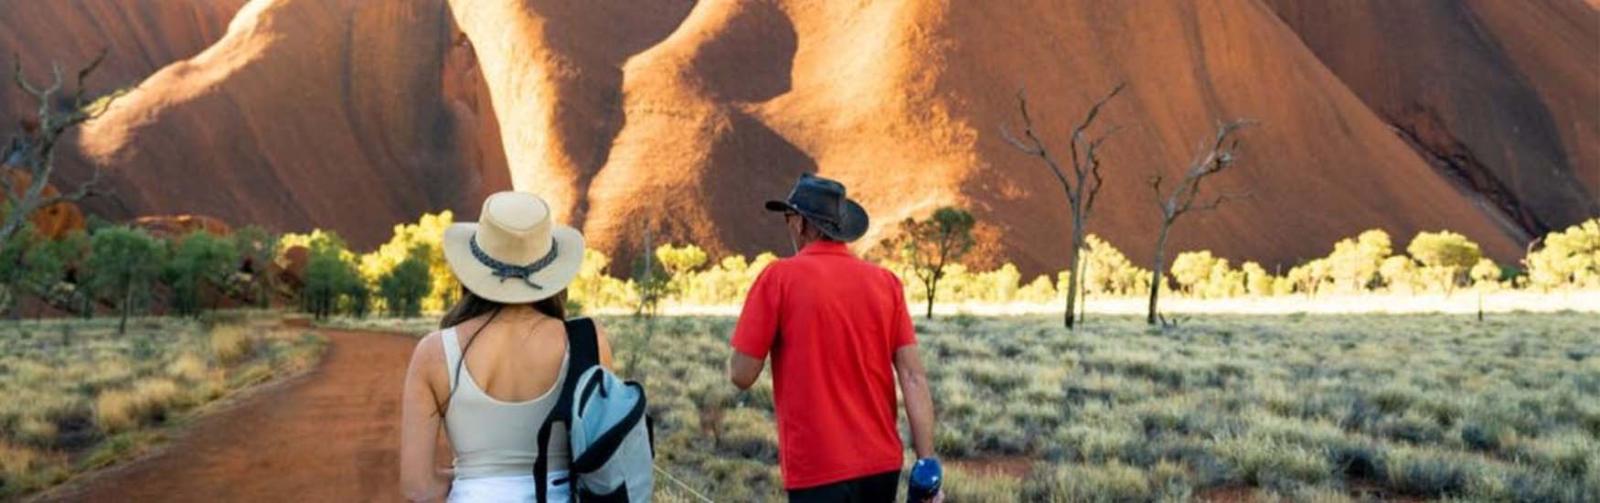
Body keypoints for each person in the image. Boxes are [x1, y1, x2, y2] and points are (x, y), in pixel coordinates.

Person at [727, 173, 942, 502]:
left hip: (817, 468)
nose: (788, 227)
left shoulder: (778, 278)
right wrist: (928, 465)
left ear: (800, 223)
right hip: (881, 465)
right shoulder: (886, 283)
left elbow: (741, 375)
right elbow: (913, 377)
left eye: (788, 218)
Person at [400, 191, 615, 502]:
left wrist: (475, 485)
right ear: (550, 270)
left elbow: (418, 488)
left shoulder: (434, 352)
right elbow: (605, 462)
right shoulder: (588, 340)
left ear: (474, 264)